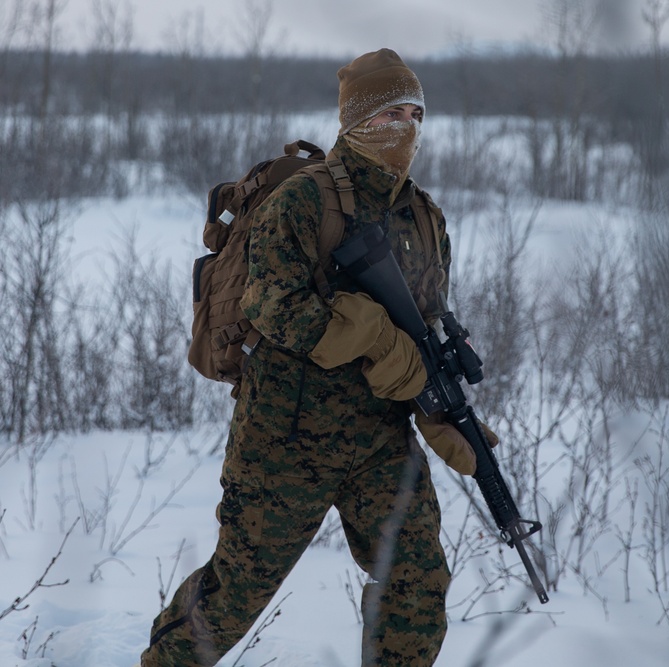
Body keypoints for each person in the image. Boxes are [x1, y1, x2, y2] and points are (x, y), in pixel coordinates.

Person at [141, 48, 486, 667]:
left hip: (382, 436)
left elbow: (427, 324)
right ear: (356, 121)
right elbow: (269, 304)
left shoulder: (423, 215)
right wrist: (370, 337)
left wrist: (440, 408)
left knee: (416, 586)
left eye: (416, 114)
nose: (406, 128)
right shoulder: (304, 199)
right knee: (234, 594)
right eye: (390, 114)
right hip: (286, 436)